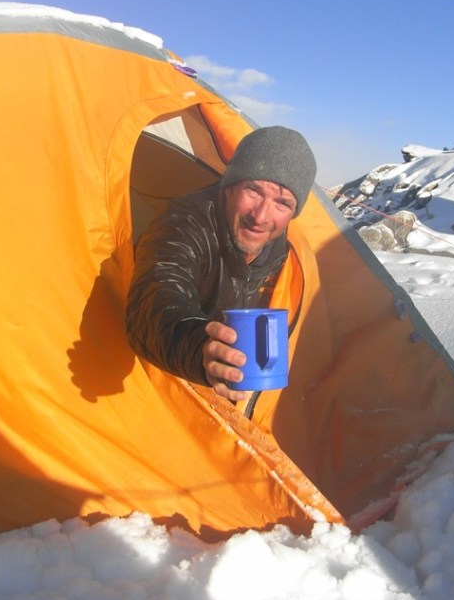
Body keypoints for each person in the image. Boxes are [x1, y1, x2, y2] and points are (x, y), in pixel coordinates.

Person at [125, 125, 317, 402]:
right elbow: (157, 296)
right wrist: (198, 348)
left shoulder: (284, 254)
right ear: (228, 188)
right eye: (253, 190)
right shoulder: (184, 225)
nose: (261, 216)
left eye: (282, 203)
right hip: (153, 386)